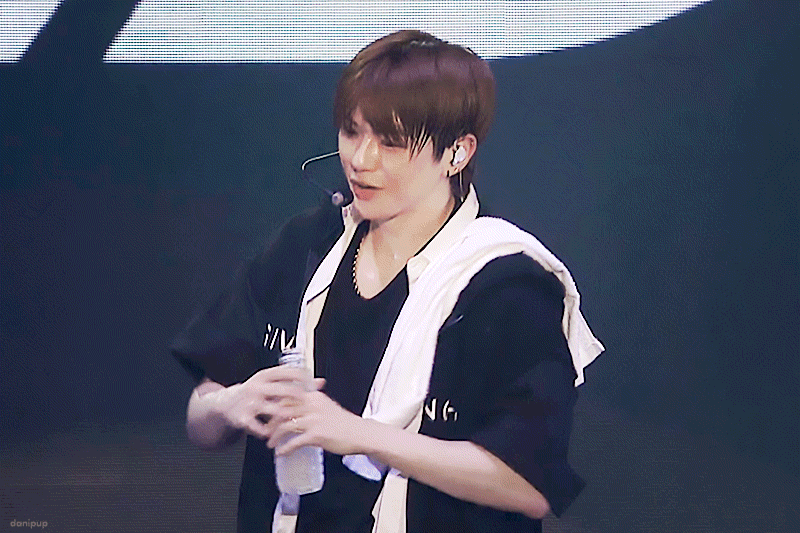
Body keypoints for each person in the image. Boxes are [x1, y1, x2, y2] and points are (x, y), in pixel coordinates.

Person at [171, 30, 603, 533]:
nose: (361, 160)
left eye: (391, 142)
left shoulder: (507, 284)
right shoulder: (306, 244)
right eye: (352, 132)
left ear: (457, 153)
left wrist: (359, 435)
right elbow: (201, 420)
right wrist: (229, 405)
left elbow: (529, 488)